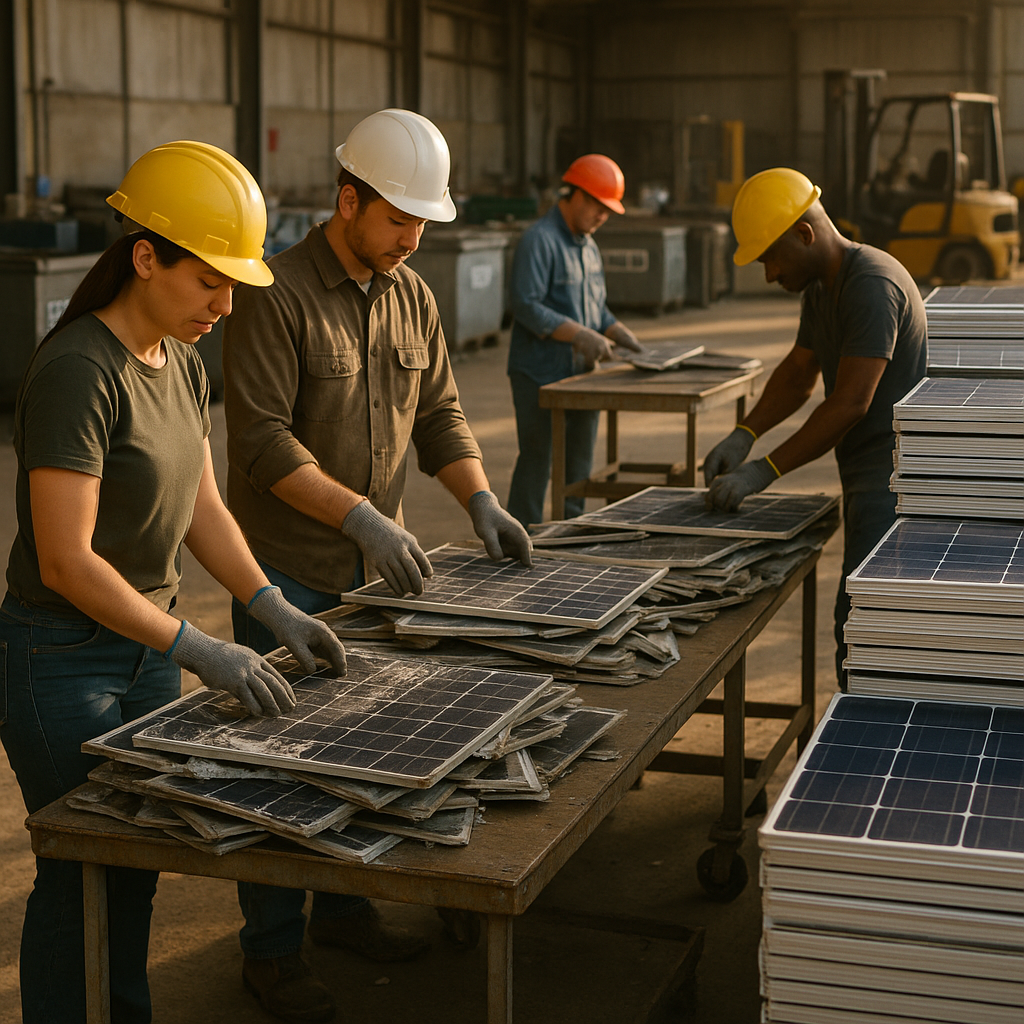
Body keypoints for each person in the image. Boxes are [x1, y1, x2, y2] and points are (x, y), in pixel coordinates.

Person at [0, 141, 348, 1024]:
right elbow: (65, 560)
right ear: (145, 256)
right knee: (82, 867)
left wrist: (266, 602)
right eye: (209, 283)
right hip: (59, 660)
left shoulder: (181, 361)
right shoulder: (80, 370)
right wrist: (198, 646)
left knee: (138, 863)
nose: (225, 308)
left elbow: (201, 512)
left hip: (144, 652)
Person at [222, 108, 532, 1023]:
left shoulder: (413, 296)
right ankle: (271, 953)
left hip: (375, 577)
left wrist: (479, 498)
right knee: (278, 765)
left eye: (423, 223)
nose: (414, 239)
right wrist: (362, 518)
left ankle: (344, 909)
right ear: (346, 200)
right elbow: (261, 444)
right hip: (287, 577)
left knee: (361, 754)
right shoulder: (274, 293)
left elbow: (440, 413)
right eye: (399, 220)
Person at [702, 167, 927, 688]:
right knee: (859, 622)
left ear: (805, 233)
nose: (768, 274)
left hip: (893, 481)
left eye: (771, 257)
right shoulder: (824, 286)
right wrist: (745, 433)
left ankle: (869, 748)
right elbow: (799, 373)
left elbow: (850, 402)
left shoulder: (871, 282)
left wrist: (765, 469)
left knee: (864, 626)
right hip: (865, 472)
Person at [505, 153, 644, 527]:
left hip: (582, 372)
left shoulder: (589, 246)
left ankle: (569, 532)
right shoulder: (539, 241)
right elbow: (527, 306)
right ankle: (522, 535)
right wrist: (581, 334)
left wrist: (617, 332)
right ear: (577, 195)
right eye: (599, 207)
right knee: (539, 457)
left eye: (608, 211)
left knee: (579, 462)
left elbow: (597, 310)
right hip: (538, 372)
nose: (603, 217)